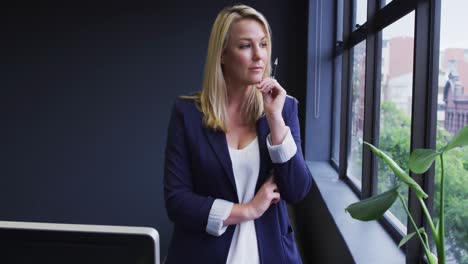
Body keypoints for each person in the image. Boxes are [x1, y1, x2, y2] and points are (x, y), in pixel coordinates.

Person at [164, 5, 312, 264]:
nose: (259, 56)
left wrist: (275, 120)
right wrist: (248, 210)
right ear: (222, 54)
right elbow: (177, 201)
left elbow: (297, 190)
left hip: (271, 255)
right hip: (201, 255)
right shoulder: (187, 113)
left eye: (264, 44)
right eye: (246, 46)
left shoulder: (284, 108)